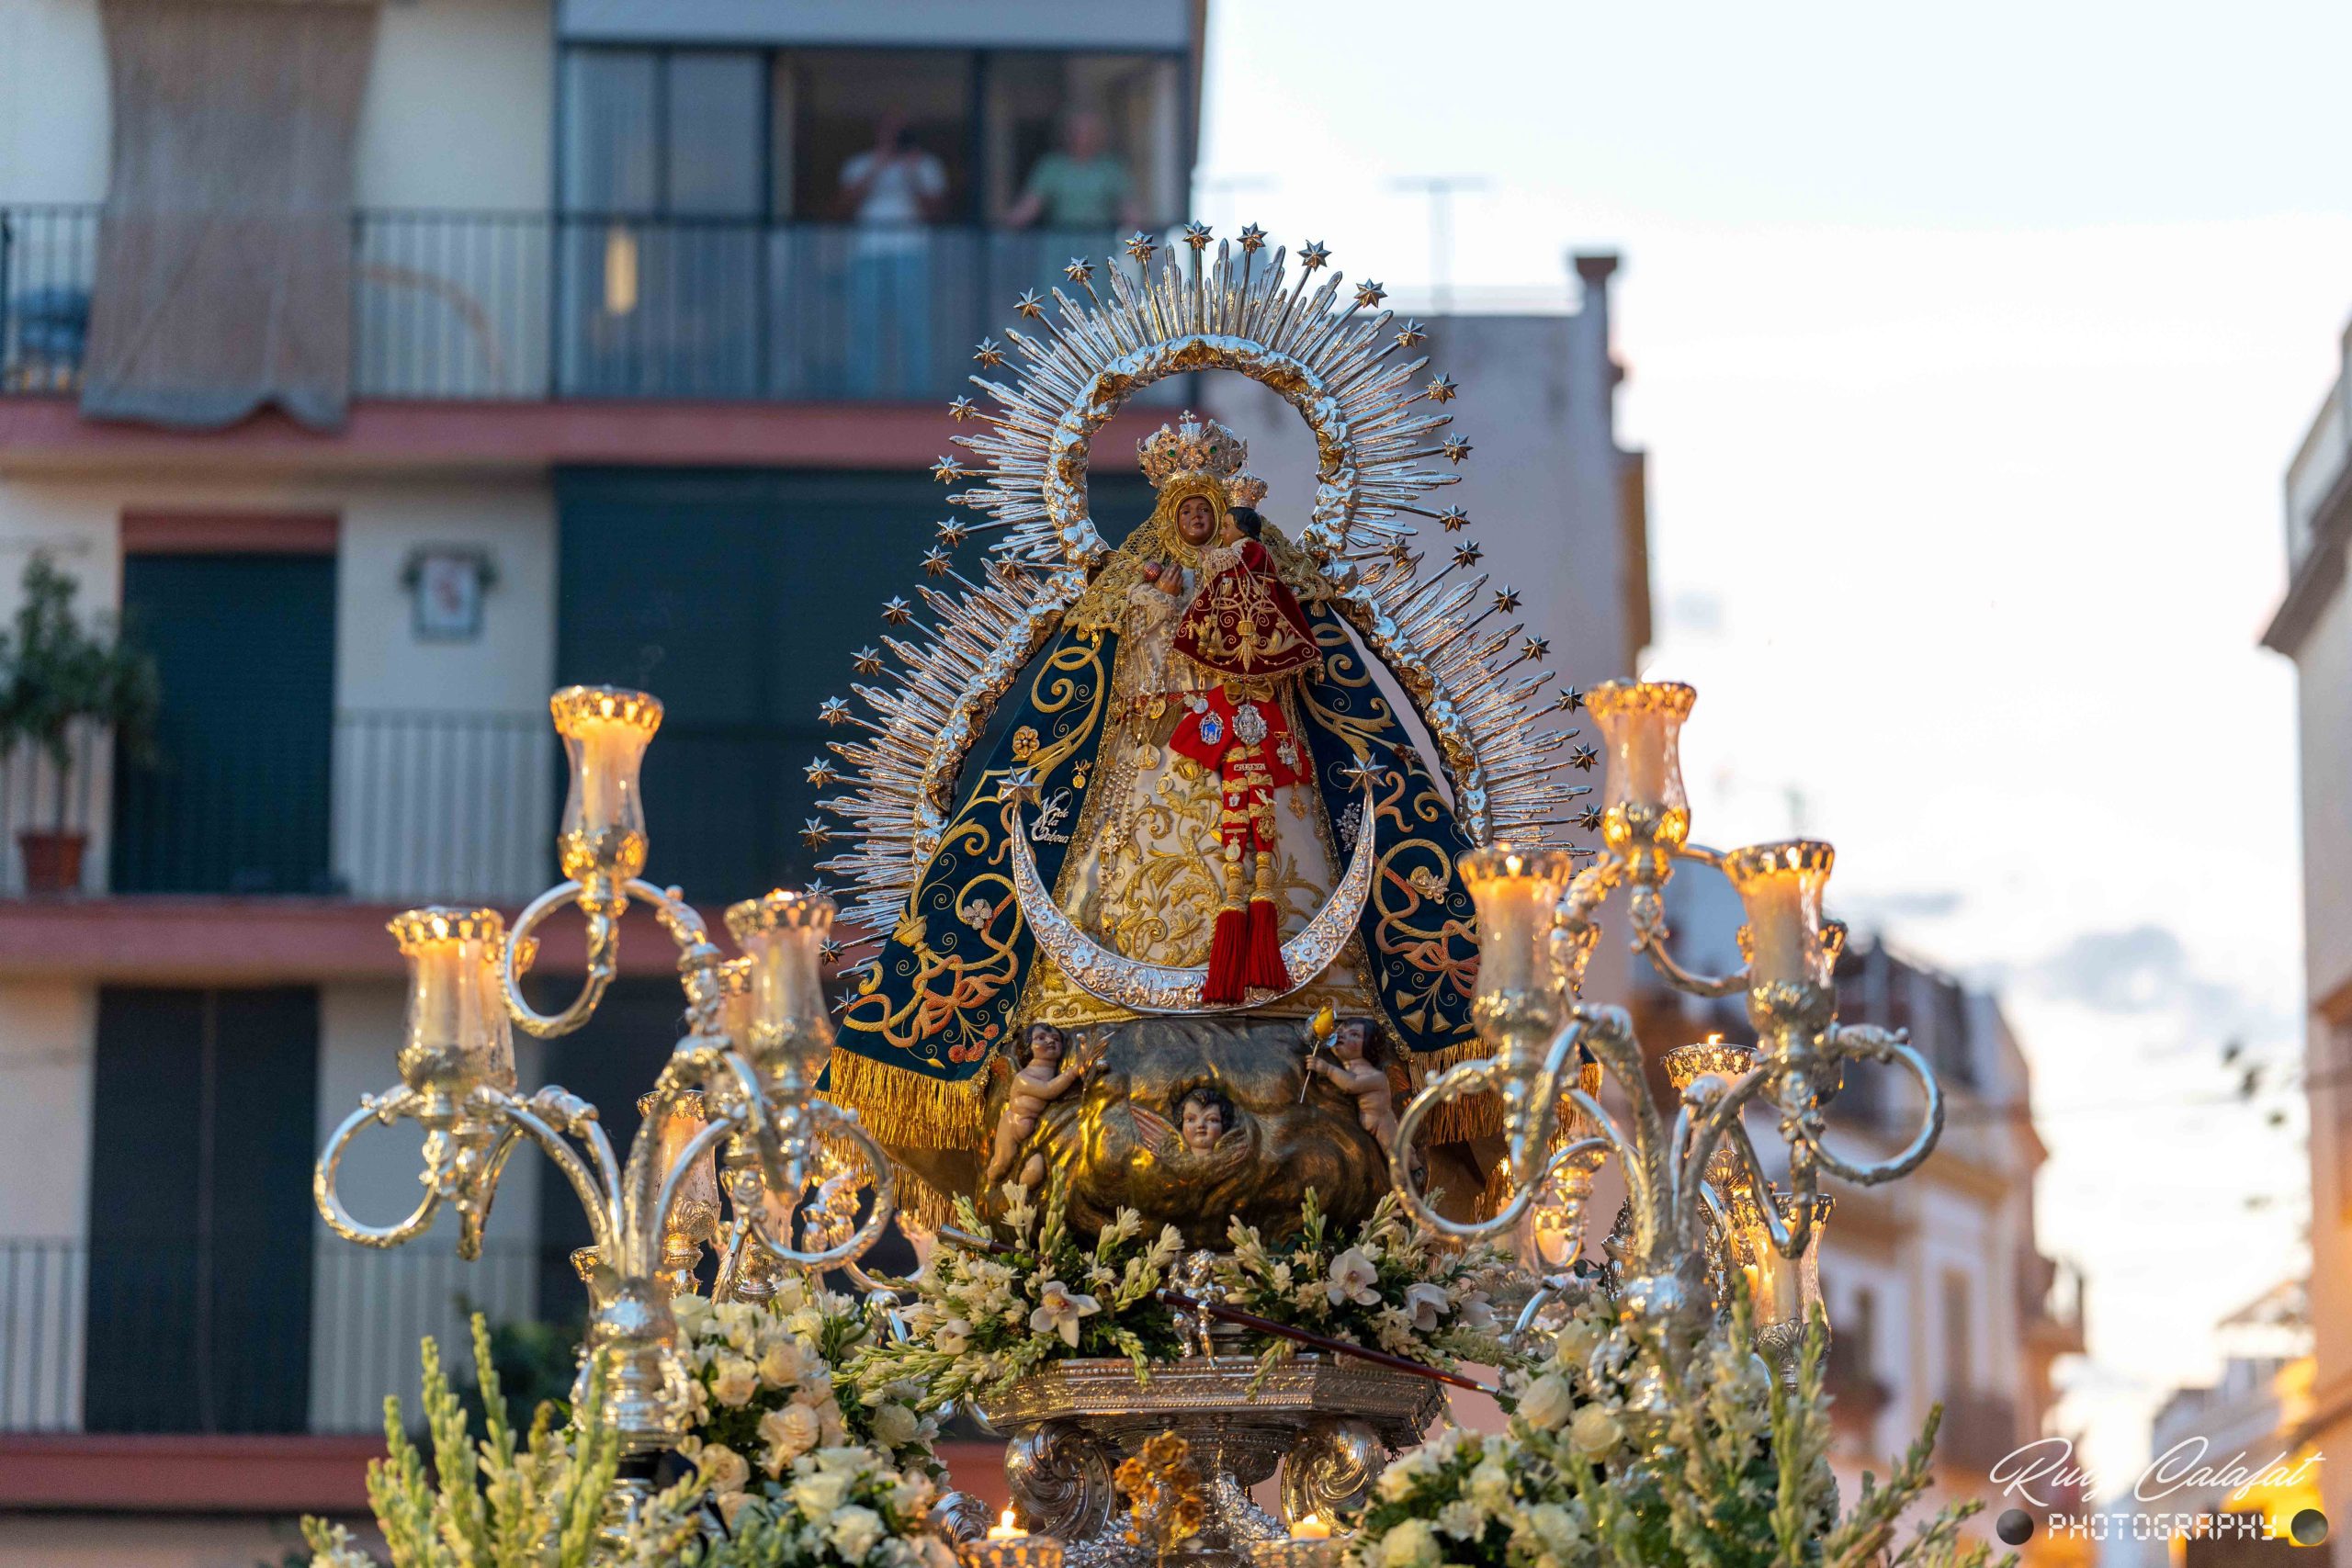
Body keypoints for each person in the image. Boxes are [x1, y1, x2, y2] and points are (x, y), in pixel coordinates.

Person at [839, 111, 946, 396]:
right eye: (888, 131)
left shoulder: (926, 166)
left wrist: (912, 174)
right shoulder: (859, 164)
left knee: (914, 326)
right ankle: (862, 394)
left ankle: (919, 395)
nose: (893, 138)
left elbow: (936, 213)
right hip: (868, 254)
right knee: (865, 325)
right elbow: (843, 208)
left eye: (900, 132)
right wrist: (877, 166)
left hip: (911, 253)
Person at [982, 1022, 1100, 1190]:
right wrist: (1073, 1071)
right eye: (1041, 1038)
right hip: (1012, 1126)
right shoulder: (1023, 1078)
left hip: (1036, 1127)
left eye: (1056, 1039)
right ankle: (991, 1187)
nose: (1050, 1041)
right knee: (1002, 1163)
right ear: (1027, 1047)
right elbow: (1048, 1090)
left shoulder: (1052, 1071)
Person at [1003, 110, 1142, 234]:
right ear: (1066, 133)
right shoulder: (1052, 167)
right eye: (1076, 131)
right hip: (1061, 246)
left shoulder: (1110, 168)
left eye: (1089, 132)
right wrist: (1002, 230)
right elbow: (1028, 208)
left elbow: (1129, 210)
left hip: (1098, 246)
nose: (1082, 138)